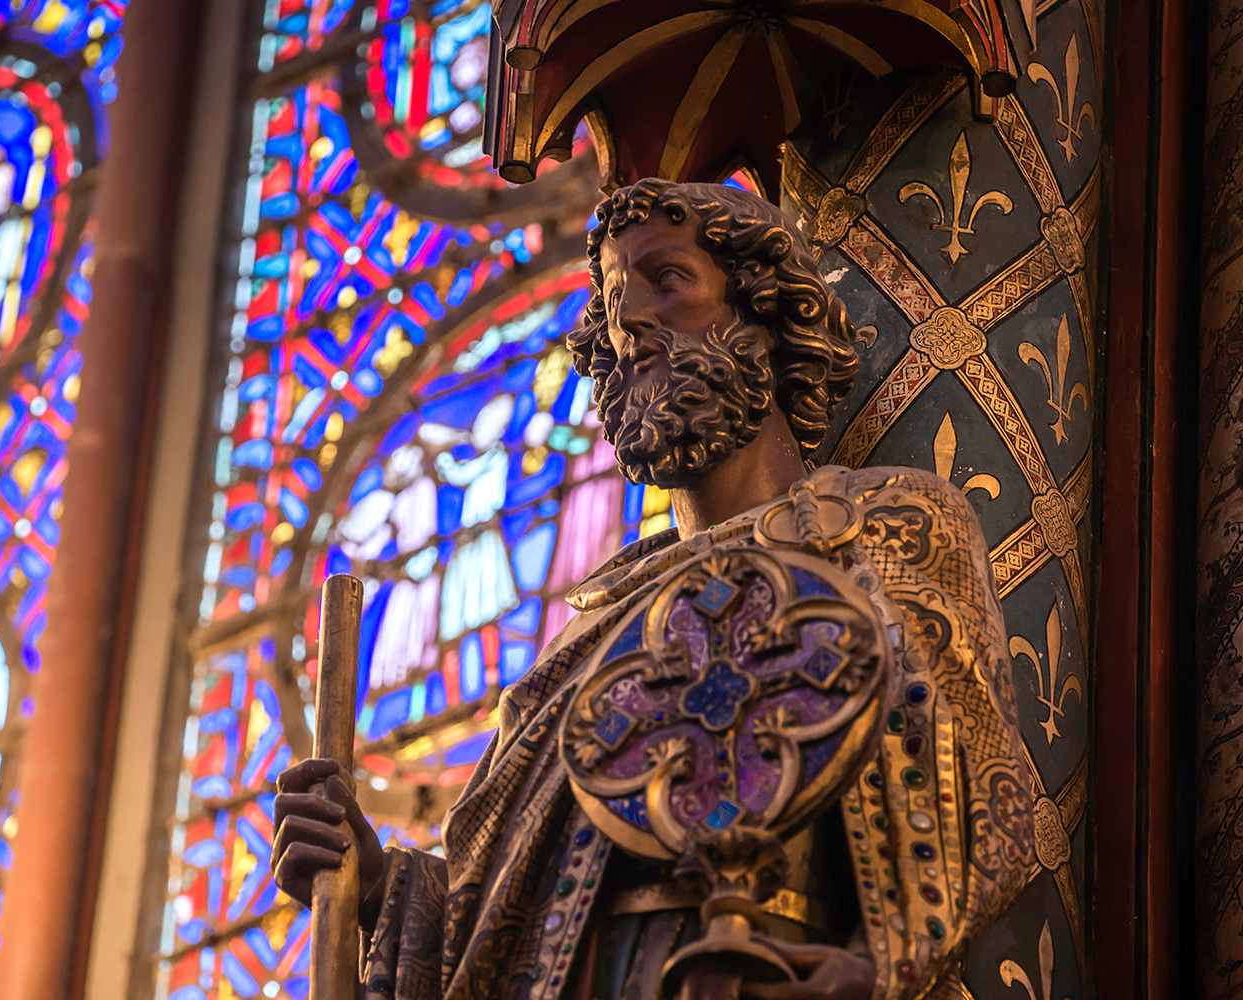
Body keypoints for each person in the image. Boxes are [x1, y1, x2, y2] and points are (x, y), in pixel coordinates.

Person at [272, 179, 1035, 1000]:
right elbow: (501, 902)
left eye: (666, 280)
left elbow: (978, 784)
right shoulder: (591, 629)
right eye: (612, 297)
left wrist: (881, 965)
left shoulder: (880, 523)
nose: (628, 319)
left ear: (763, 313)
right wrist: (383, 890)